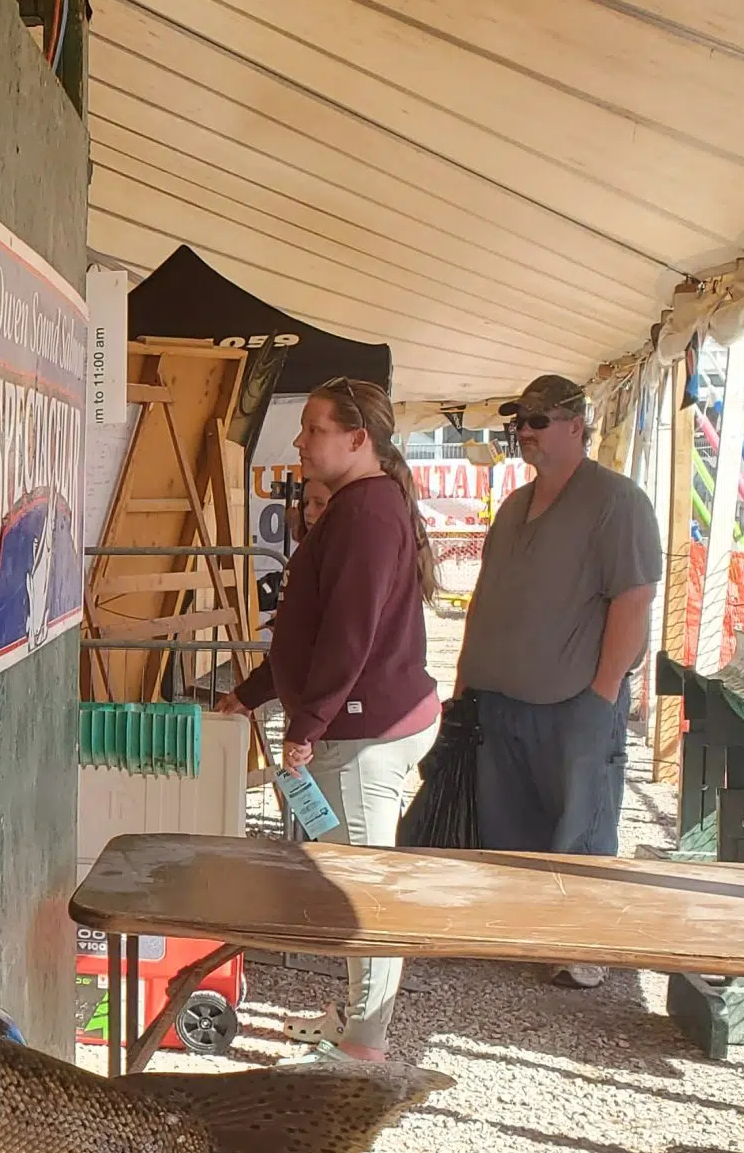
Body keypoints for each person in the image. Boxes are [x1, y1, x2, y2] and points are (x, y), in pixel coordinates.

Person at [220, 379, 437, 1061]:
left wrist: (307, 725)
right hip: (357, 722)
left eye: (314, 429)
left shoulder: (367, 513)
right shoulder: (358, 507)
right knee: (352, 881)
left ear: (356, 438)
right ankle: (356, 1020)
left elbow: (350, 634)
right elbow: (311, 634)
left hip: (364, 731)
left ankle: (364, 1046)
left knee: (364, 893)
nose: (300, 441)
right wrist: (255, 693)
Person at [455, 373, 661, 990]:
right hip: (502, 700)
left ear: (577, 425)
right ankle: (526, 932)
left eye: (538, 422)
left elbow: (634, 598)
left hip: (575, 700)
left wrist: (602, 693)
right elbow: (485, 599)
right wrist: (466, 681)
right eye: (519, 422)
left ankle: (584, 947)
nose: (524, 434)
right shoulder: (516, 504)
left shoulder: (617, 500)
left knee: (583, 826)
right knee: (511, 824)